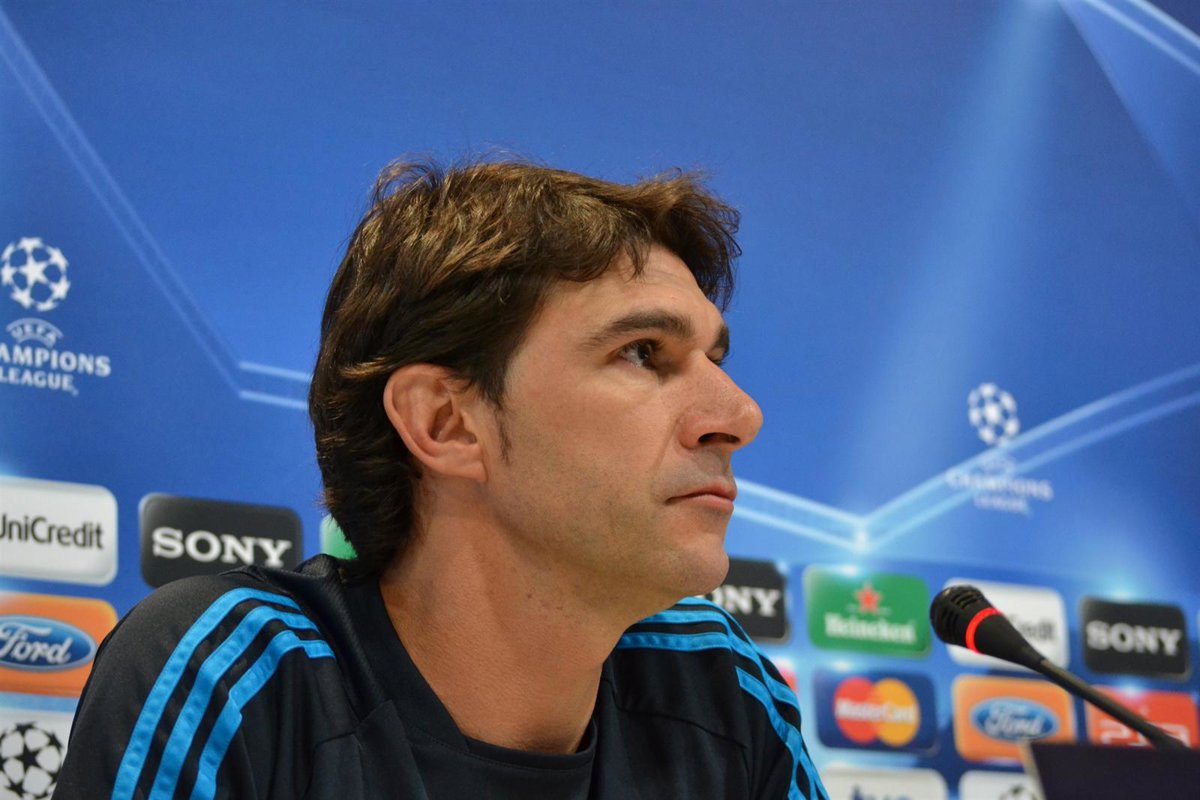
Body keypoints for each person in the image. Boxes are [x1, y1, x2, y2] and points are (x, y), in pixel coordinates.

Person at [56, 159, 828, 799]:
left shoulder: (718, 687)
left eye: (714, 359)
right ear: (445, 423)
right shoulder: (239, 675)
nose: (740, 415)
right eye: (643, 353)